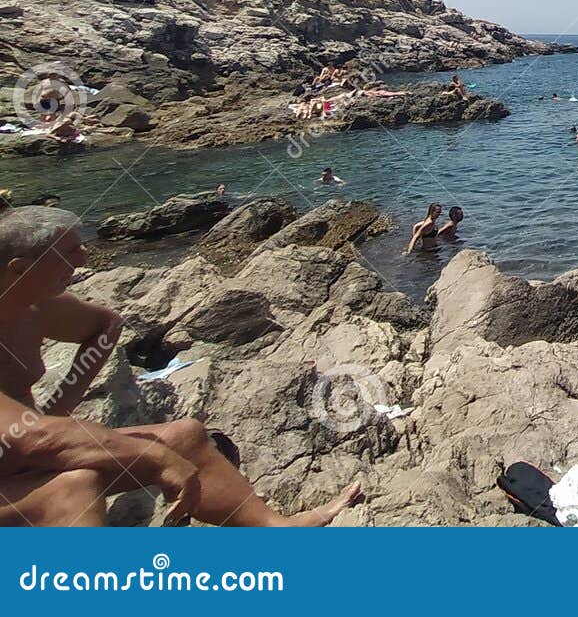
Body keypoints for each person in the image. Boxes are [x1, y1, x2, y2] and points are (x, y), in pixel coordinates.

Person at [0, 207, 361, 527]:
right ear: (19, 269)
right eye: (67, 253)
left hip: (26, 457)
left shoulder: (36, 307)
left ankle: (273, 529)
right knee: (72, 487)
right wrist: (155, 457)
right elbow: (29, 438)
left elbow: (106, 327)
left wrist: (60, 409)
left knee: (186, 437)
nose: (83, 258)